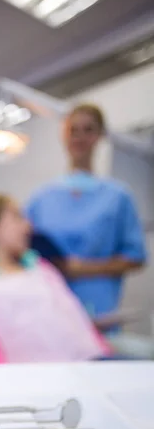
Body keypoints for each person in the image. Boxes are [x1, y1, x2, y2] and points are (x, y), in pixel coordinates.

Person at [26, 104, 147, 328]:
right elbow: (22, 251)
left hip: (99, 309)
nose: (80, 137)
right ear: (64, 135)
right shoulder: (41, 197)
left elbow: (135, 257)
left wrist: (83, 268)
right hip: (49, 309)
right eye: (74, 130)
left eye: (88, 130)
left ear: (100, 136)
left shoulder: (118, 196)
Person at [0, 194, 112, 363]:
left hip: (82, 368)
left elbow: (77, 320)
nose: (28, 226)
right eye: (17, 218)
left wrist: (102, 354)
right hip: (24, 381)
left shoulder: (41, 268)